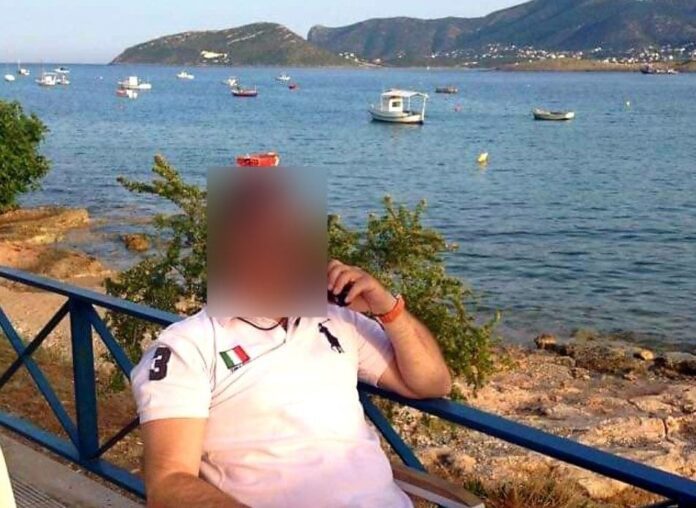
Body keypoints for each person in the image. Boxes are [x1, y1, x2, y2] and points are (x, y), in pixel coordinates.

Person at [130, 171, 452, 507]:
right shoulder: (188, 346)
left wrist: (387, 308)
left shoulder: (338, 320)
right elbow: (169, 483)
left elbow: (433, 383)